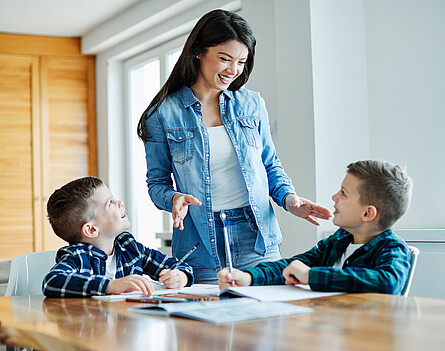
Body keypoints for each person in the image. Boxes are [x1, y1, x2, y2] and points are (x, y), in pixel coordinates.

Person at [137, 9, 332, 283]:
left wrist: (290, 200)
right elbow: (156, 183)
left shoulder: (252, 105)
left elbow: (270, 165)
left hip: (257, 238)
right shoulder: (162, 114)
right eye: (224, 59)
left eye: (241, 61)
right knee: (206, 324)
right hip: (200, 244)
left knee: (267, 323)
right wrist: (173, 199)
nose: (233, 70)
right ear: (198, 52)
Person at [218, 160, 413, 295]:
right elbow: (294, 266)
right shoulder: (338, 241)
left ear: (367, 214)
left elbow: (387, 282)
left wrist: (311, 276)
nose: (334, 197)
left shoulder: (392, 248)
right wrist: (249, 277)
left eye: (343, 193)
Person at [42, 177, 194, 297]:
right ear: (91, 229)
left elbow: (176, 265)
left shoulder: (129, 247)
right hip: (92, 329)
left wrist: (181, 275)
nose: (120, 202)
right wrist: (110, 285)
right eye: (110, 203)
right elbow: (52, 282)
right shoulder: (77, 256)